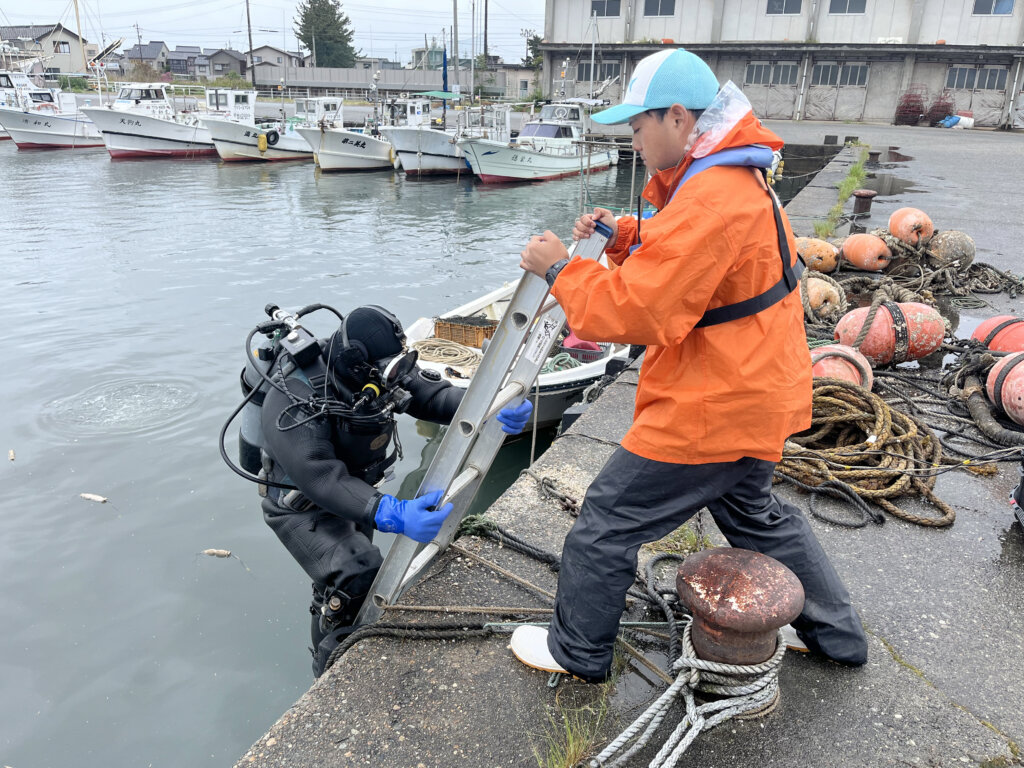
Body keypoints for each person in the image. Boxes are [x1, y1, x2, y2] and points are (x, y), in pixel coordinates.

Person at [514, 48, 868, 683]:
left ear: (677, 118)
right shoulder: (732, 175)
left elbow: (639, 309)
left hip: (715, 402)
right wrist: (625, 235)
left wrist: (562, 270)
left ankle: (577, 654)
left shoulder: (711, 195)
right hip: (757, 387)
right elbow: (696, 258)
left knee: (606, 522)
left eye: (637, 127)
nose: (634, 142)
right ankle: (838, 637)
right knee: (756, 517)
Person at [257, 305, 533, 676]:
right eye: (391, 370)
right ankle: (326, 670)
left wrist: (491, 408)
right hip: (300, 505)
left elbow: (432, 397)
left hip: (355, 493)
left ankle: (335, 613)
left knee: (341, 580)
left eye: (401, 364)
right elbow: (320, 477)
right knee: (358, 573)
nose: (399, 377)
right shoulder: (293, 396)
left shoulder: (380, 373)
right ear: (358, 366)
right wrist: (392, 512)